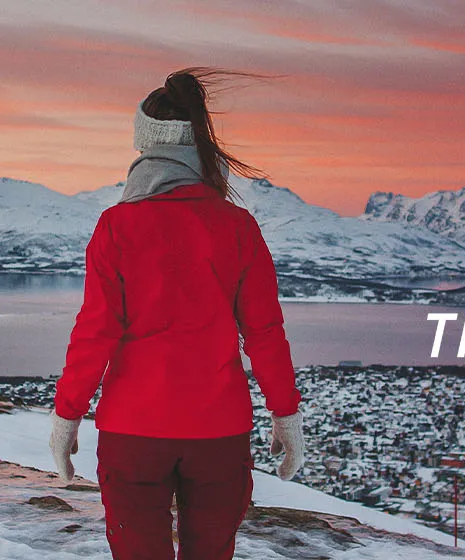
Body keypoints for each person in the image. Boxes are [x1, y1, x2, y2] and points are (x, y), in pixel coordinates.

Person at [47, 67, 306, 560]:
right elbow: (265, 332)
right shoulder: (238, 227)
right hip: (219, 434)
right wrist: (285, 413)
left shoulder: (117, 226)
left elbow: (96, 330)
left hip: (133, 433)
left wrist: (68, 415)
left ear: (146, 146)